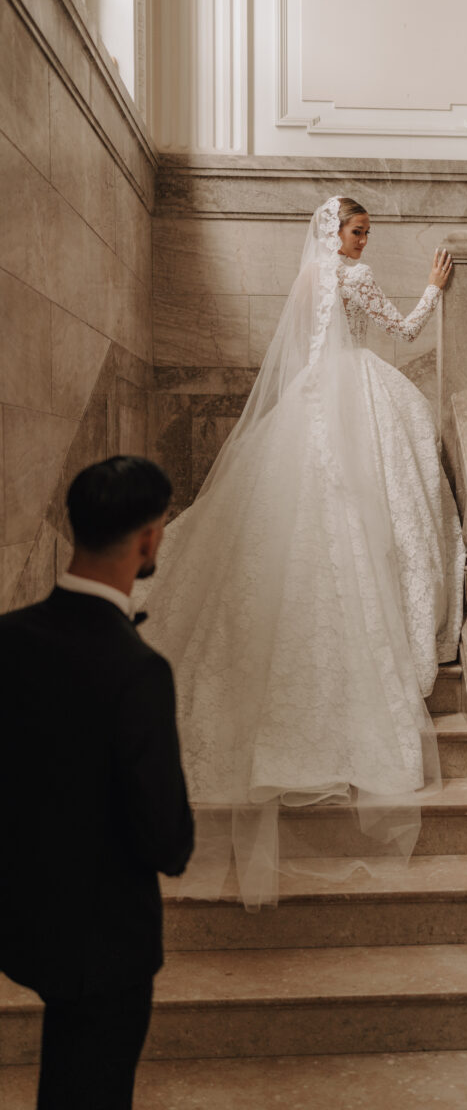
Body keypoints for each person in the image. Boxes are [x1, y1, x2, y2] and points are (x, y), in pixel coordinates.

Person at [139, 195, 465, 908]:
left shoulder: (309, 277)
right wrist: (434, 291)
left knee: (305, 524)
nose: (360, 242)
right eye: (355, 231)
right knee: (369, 517)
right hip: (356, 398)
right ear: (335, 231)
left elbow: (304, 351)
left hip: (312, 401)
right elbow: (403, 330)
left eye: (365, 234)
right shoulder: (352, 276)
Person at [0, 457, 194, 1110]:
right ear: (147, 539)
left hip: (25, 920)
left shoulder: (8, 640)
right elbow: (166, 840)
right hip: (107, 942)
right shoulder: (137, 671)